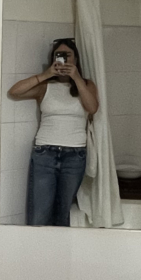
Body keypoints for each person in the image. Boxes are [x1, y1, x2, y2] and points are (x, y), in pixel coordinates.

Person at [8, 38, 100, 226]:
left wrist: (76, 78)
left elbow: (92, 108)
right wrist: (46, 74)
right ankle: (36, 246)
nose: (64, 60)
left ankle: (58, 246)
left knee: (62, 212)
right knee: (39, 214)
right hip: (45, 153)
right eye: (59, 55)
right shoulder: (45, 86)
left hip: (75, 155)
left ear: (76, 59)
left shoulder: (86, 85)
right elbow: (14, 92)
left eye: (68, 56)